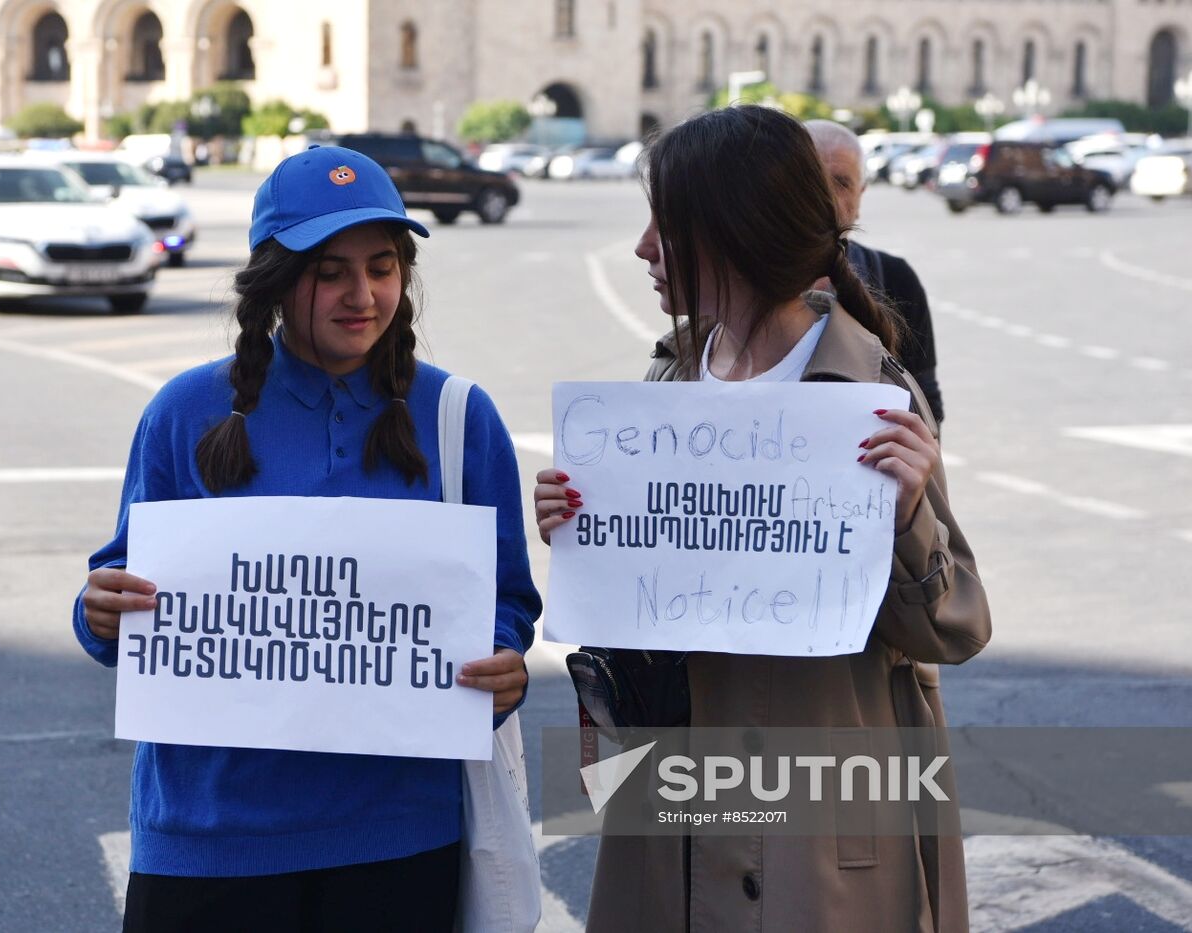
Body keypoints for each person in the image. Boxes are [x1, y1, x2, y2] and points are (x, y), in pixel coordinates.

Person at [534, 106, 990, 932]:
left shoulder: (867, 396)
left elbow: (953, 631)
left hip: (820, 833)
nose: (642, 248)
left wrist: (910, 513)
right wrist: (578, 525)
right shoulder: (664, 384)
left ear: (734, 233)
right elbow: (633, 607)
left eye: (663, 226)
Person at [73, 145, 542, 933]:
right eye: (330, 271)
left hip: (398, 840)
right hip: (207, 837)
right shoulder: (185, 411)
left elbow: (507, 604)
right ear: (275, 279)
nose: (363, 294)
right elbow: (119, 609)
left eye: (383, 265)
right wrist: (99, 614)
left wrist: (502, 667)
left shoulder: (461, 418)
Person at [805, 118, 946, 424]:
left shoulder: (894, 278)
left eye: (841, 182)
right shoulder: (749, 279)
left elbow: (924, 395)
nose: (828, 196)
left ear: (861, 194)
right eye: (814, 180)